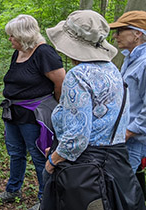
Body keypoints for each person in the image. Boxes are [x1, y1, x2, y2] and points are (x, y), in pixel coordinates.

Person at [42, 10, 145, 209]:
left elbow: (76, 139)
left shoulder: (78, 75)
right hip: (116, 162)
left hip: (84, 168)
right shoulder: (112, 69)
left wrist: (53, 160)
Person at [0, 14, 65, 206]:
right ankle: (13, 190)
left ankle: (45, 199)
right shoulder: (18, 52)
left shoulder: (44, 53)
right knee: (16, 153)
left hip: (35, 115)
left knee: (40, 155)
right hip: (14, 112)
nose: (10, 40)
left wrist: (55, 107)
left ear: (24, 36)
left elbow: (60, 82)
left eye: (12, 36)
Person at [109, 11, 146, 174]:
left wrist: (130, 131)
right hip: (122, 136)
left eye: (120, 31)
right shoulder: (130, 59)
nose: (115, 36)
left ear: (137, 33)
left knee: (121, 187)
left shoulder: (144, 63)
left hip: (133, 139)